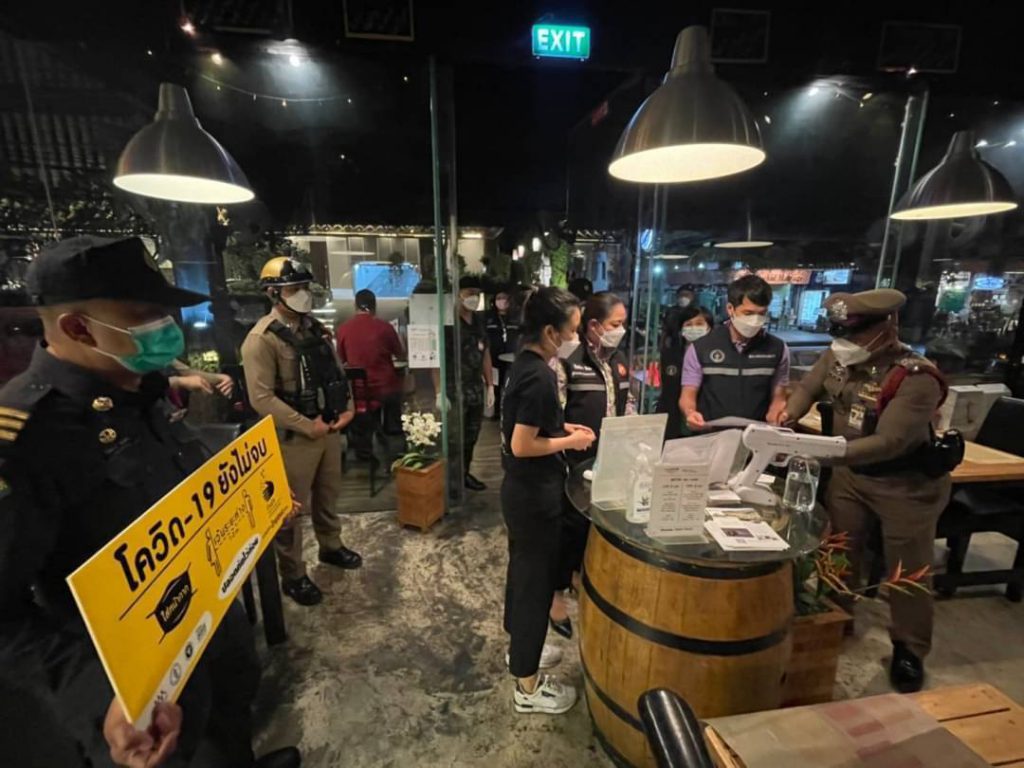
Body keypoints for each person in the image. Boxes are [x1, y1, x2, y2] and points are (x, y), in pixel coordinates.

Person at [0, 235, 299, 768]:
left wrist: (260, 510)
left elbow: (187, 495)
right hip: (137, 686)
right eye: (144, 316)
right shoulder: (24, 438)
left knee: (232, 719)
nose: (166, 327)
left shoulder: (143, 388)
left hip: (209, 627)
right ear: (77, 327)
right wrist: (100, 699)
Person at [779, 289, 952, 693]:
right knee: (840, 550)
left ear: (886, 329)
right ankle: (838, 617)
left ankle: (909, 648)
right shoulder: (841, 356)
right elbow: (808, 387)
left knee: (907, 569)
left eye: (854, 335)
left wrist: (819, 452)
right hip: (851, 478)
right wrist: (789, 414)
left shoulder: (915, 377)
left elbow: (889, 442)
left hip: (904, 485)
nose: (845, 343)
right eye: (840, 334)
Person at [241, 257, 361, 608]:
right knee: (289, 512)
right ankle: (293, 575)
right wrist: (308, 426)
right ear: (272, 293)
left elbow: (337, 373)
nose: (303, 295)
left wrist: (348, 407)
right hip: (294, 438)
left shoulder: (315, 330)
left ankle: (331, 545)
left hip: (329, 427)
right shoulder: (261, 339)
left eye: (306, 287)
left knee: (328, 494)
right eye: (295, 289)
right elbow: (261, 398)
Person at [501, 286, 595, 715]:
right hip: (534, 497)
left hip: (521, 493)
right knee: (534, 587)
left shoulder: (524, 364)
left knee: (522, 578)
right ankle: (527, 686)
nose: (576, 338)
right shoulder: (540, 375)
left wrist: (562, 428)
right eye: (572, 330)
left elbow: (530, 426)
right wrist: (570, 441)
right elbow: (522, 445)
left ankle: (522, 651)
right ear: (550, 332)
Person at [680, 274, 790, 429]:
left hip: (756, 434)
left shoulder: (778, 349)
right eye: (748, 313)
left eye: (761, 314)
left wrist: (776, 412)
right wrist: (690, 413)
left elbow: (779, 395)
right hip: (711, 433)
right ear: (730, 309)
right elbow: (688, 394)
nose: (755, 320)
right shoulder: (701, 348)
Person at [335, 288, 406, 442]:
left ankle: (363, 442)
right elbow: (401, 354)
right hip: (385, 389)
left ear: (355, 306)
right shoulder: (385, 327)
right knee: (397, 392)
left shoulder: (343, 329)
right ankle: (392, 434)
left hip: (358, 392)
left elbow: (340, 360)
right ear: (374, 307)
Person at [451, 276, 495, 491]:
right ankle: (452, 479)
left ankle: (464, 474)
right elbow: (438, 357)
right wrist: (439, 390)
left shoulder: (479, 320)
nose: (474, 298)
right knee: (454, 438)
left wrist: (490, 384)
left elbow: (485, 352)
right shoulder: (450, 322)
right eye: (470, 293)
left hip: (475, 388)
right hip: (454, 388)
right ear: (459, 294)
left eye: (477, 294)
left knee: (472, 434)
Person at [658, 306, 714, 439]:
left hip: (704, 422)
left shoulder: (715, 357)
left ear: (710, 327)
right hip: (673, 421)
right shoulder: (670, 354)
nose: (694, 328)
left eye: (699, 324)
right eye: (689, 324)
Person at [485, 285, 519, 418]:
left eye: (504, 298)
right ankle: (496, 411)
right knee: (495, 385)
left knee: (510, 384)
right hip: (494, 358)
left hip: (511, 358)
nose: (502, 301)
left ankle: (509, 411)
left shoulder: (516, 317)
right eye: (499, 298)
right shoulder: (489, 317)